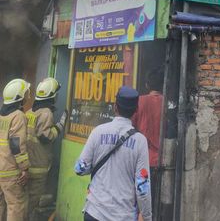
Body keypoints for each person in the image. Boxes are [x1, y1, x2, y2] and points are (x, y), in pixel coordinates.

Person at [74, 86, 152, 221]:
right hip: (123, 216)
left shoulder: (98, 131)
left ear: (115, 107)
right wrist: (146, 216)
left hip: (94, 212)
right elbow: (142, 185)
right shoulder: (140, 141)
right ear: (136, 110)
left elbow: (80, 169)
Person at [26, 77, 68, 219]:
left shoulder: (30, 112)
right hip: (37, 168)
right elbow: (46, 137)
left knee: (23, 200)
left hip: (26, 166)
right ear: (52, 96)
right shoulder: (46, 113)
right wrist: (60, 125)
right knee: (31, 203)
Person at [0, 78, 31, 221]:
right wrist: (24, 168)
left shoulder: (1, 115)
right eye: (26, 93)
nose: (28, 95)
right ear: (19, 97)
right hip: (11, 173)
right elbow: (16, 145)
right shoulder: (18, 116)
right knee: (15, 207)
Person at [132, 69, 163, 169]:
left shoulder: (139, 101)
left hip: (142, 158)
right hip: (163, 159)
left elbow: (131, 127)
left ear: (147, 85)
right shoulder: (167, 103)